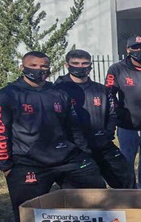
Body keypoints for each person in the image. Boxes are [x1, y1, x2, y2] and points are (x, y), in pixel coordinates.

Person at [0, 51, 106, 222]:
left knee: (94, 199)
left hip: (67, 158)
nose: (39, 70)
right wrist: (5, 165)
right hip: (28, 162)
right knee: (29, 215)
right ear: (22, 68)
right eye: (33, 66)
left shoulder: (58, 93)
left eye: (43, 66)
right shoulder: (7, 95)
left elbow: (73, 126)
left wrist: (84, 152)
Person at [54, 49, 135, 188]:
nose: (81, 67)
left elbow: (112, 113)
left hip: (103, 144)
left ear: (90, 65)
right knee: (91, 189)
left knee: (126, 178)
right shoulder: (57, 90)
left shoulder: (101, 89)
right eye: (76, 63)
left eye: (85, 63)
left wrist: (108, 133)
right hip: (75, 150)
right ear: (67, 65)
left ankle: (131, 209)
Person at [105, 35, 141, 189]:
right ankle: (128, 192)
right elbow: (109, 93)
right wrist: (117, 113)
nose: (140, 51)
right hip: (127, 125)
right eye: (135, 47)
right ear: (128, 50)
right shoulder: (117, 69)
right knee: (126, 161)